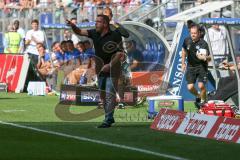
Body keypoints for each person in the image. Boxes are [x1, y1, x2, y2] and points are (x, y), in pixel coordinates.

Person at [66, 14, 124, 128]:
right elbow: (79, 31)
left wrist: (110, 65)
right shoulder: (94, 33)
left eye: (98, 21)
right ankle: (110, 117)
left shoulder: (115, 35)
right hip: (100, 70)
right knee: (102, 95)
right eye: (96, 21)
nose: (95, 23)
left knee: (108, 94)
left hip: (113, 69)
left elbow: (119, 53)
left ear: (105, 24)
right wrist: (73, 26)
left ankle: (107, 120)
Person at [181, 24, 211, 109]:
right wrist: (183, 63)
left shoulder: (203, 43)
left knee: (201, 86)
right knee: (190, 87)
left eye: (195, 33)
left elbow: (209, 58)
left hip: (202, 66)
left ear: (199, 33)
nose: (193, 35)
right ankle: (198, 96)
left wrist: (205, 57)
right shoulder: (187, 40)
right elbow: (183, 51)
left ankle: (203, 101)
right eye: (191, 33)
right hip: (191, 67)